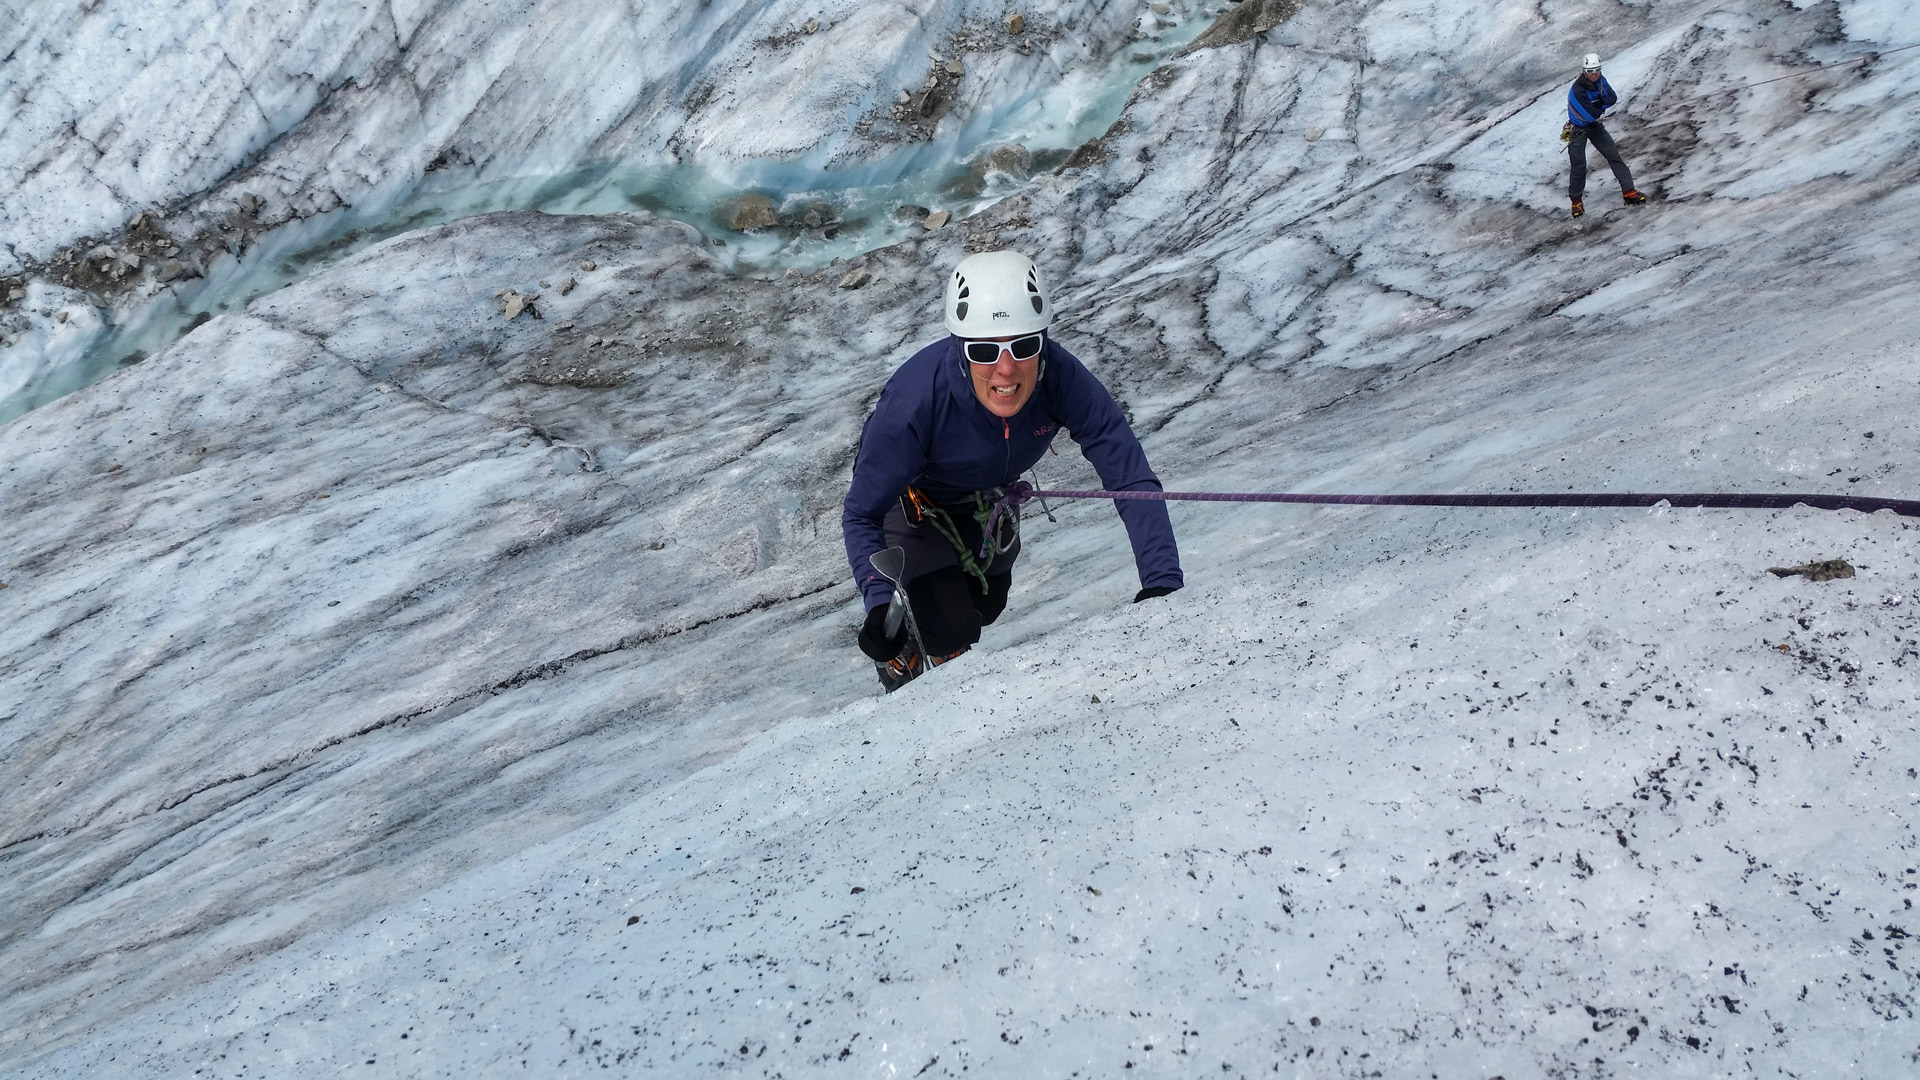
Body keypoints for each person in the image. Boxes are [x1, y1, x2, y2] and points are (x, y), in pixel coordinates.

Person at [842, 250, 1183, 691]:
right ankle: (907, 657)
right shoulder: (914, 405)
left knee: (987, 602)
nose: (1006, 368)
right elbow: (862, 514)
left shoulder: (1061, 377)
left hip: (987, 497)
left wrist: (1162, 585)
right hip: (913, 503)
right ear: (961, 350)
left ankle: (936, 617)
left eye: (1024, 346)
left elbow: (1129, 476)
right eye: (985, 350)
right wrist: (877, 601)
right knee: (948, 623)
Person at [1565, 52, 1647, 218]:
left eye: (1597, 69)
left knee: (1613, 155)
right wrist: (1601, 105)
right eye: (1590, 70)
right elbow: (1589, 114)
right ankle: (1576, 202)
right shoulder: (1577, 90)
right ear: (1583, 71)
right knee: (1579, 165)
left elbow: (1612, 98)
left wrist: (1599, 105)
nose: (1594, 73)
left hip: (1593, 126)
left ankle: (1629, 191)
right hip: (1578, 129)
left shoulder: (1601, 81)